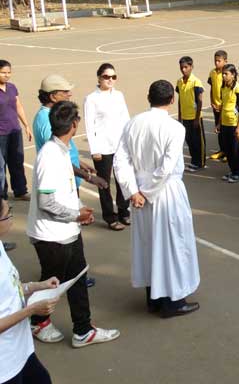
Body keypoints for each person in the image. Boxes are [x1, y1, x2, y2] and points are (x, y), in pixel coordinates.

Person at [28, 101, 120, 345]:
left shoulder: (59, 150)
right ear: (75, 125)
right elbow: (47, 202)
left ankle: (83, 329)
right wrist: (75, 215)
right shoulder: (50, 156)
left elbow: (65, 183)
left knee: (77, 276)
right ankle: (38, 322)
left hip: (67, 231)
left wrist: (80, 205)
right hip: (52, 236)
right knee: (52, 283)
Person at [114, 81, 200, 318]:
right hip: (165, 193)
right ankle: (173, 302)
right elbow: (166, 168)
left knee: (148, 244)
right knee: (172, 245)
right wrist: (145, 192)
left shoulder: (133, 123)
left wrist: (133, 191)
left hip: (141, 193)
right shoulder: (174, 128)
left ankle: (154, 298)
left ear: (148, 97)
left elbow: (120, 161)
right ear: (172, 99)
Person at [0, 196, 58, 383]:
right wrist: (31, 310)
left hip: (21, 348)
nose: (11, 217)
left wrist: (37, 286)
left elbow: (10, 287)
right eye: (7, 214)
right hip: (5, 365)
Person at [84, 63, 131, 230]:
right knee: (104, 183)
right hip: (103, 147)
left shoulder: (119, 95)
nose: (110, 80)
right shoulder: (91, 99)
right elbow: (90, 125)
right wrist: (94, 149)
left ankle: (123, 211)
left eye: (113, 77)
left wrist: (129, 142)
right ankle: (110, 217)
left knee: (122, 179)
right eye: (106, 77)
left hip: (120, 145)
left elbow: (126, 119)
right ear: (99, 78)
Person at [0, 60, 31, 202]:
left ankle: (20, 190)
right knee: (1, 165)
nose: (7, 75)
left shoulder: (12, 87)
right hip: (1, 133)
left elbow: (18, 106)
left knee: (17, 161)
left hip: (14, 130)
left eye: (9, 72)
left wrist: (26, 125)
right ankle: (2, 196)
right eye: (3, 72)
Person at [217, 64, 239, 182]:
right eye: (223, 74)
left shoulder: (238, 88)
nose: (223, 76)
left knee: (236, 150)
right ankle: (233, 170)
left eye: (226, 74)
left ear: (233, 75)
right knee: (228, 149)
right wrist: (219, 123)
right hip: (225, 124)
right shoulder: (223, 88)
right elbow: (223, 106)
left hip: (234, 124)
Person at [176, 56, 205, 172]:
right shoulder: (179, 82)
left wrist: (197, 118)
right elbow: (180, 100)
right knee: (189, 140)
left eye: (186, 67)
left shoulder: (196, 82)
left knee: (198, 141)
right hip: (185, 117)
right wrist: (180, 116)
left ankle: (200, 162)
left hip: (194, 117)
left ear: (191, 67)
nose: (183, 70)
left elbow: (200, 101)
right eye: (181, 68)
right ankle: (194, 161)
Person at [207, 50, 227, 161]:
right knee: (219, 130)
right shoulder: (212, 73)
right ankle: (222, 150)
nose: (216, 63)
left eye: (219, 61)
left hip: (225, 107)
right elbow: (212, 88)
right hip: (216, 106)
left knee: (227, 130)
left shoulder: (227, 74)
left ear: (225, 61)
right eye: (215, 61)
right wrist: (212, 102)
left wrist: (222, 105)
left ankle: (229, 152)